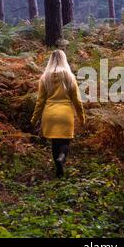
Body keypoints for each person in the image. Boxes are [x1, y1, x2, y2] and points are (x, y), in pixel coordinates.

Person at [31, 50, 86, 178]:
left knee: (55, 142)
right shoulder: (69, 77)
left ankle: (58, 171)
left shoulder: (45, 78)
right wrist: (82, 117)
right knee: (65, 142)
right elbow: (77, 100)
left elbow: (40, 102)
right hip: (65, 114)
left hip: (50, 114)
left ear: (50, 61)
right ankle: (62, 158)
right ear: (64, 60)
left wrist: (34, 119)